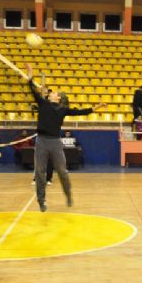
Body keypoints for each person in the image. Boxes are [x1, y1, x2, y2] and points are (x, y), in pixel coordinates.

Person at [26, 63, 106, 212]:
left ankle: (68, 195)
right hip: (42, 141)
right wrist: (30, 74)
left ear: (58, 98)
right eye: (53, 92)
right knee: (40, 173)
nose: (53, 92)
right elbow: (31, 88)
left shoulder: (62, 109)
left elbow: (82, 112)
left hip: (56, 142)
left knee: (62, 171)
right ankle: (41, 201)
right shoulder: (42, 103)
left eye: (55, 92)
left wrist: (97, 107)